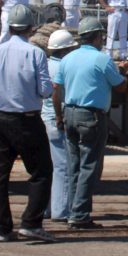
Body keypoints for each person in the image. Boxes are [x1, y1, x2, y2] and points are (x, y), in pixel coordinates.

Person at [0, 3, 56, 243]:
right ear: (31, 28)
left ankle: (3, 228)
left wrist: (1, 92)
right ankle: (31, 222)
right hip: (27, 119)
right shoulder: (35, 53)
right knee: (41, 171)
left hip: (0, 118)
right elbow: (44, 90)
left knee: (0, 175)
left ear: (9, 26)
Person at [52, 17, 127, 229]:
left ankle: (72, 211)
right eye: (101, 35)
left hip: (70, 114)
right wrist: (124, 72)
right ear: (97, 37)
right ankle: (80, 215)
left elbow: (57, 90)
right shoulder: (102, 60)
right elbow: (120, 86)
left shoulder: (67, 59)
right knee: (89, 167)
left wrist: (59, 116)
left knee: (73, 166)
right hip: (91, 117)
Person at [42, 29, 78, 223]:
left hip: (42, 118)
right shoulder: (65, 67)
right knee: (63, 166)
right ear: (66, 50)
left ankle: (45, 208)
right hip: (58, 120)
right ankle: (61, 211)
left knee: (46, 166)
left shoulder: (45, 65)